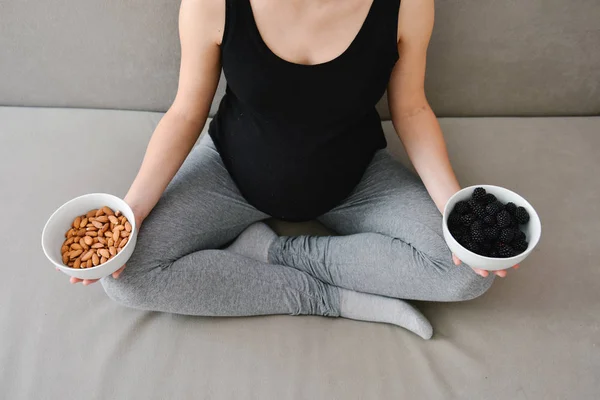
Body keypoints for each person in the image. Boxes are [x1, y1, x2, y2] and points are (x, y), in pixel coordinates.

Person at [61, 0, 519, 339]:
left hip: (357, 181)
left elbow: (413, 109)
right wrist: (133, 210)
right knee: (128, 278)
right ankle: (323, 298)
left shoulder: (409, 4)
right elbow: (184, 113)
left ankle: (276, 252)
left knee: (464, 274)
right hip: (229, 174)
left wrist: (459, 214)